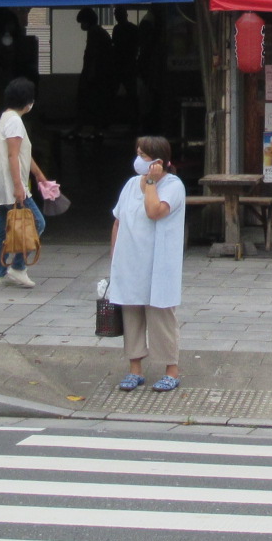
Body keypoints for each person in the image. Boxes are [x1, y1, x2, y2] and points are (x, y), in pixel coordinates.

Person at [109, 135, 185, 391]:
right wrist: (114, 258)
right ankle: (135, 369)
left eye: (143, 156)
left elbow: (154, 212)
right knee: (132, 316)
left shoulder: (173, 186)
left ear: (158, 162)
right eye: (138, 154)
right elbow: (118, 220)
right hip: (130, 261)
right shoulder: (131, 185)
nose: (138, 160)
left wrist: (151, 182)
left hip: (159, 264)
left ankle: (171, 371)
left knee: (161, 316)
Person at [0, 77, 51, 288]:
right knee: (37, 222)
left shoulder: (5, 117)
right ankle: (18, 268)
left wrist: (39, 175)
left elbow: (23, 153)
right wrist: (19, 187)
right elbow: (13, 156)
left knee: (3, 228)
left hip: (1, 183)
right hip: (11, 185)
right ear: (27, 102)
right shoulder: (15, 121)